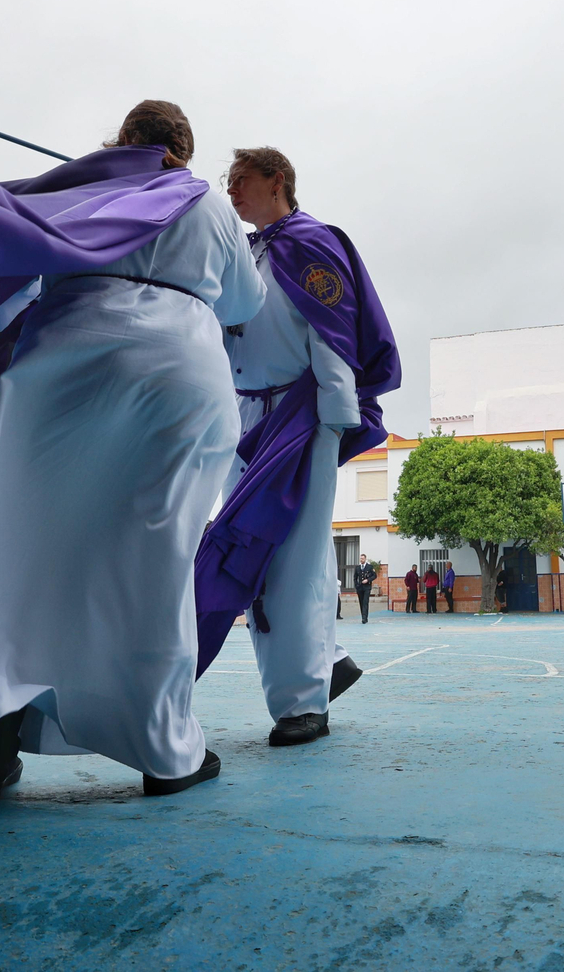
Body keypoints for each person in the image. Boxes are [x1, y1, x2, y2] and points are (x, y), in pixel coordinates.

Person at [0, 101, 265, 802]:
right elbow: (244, 303)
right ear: (185, 151)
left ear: (123, 140)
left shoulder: (82, 185)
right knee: (153, 553)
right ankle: (165, 750)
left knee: (8, 539)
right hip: (179, 370)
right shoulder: (212, 206)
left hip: (64, 355)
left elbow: (5, 255)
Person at [204, 146, 392, 747]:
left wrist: (334, 421)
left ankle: (302, 704)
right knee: (252, 554)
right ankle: (327, 662)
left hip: (298, 416)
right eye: (227, 183)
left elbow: (331, 333)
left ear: (276, 180)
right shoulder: (247, 252)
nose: (231, 193)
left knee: (297, 561)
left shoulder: (310, 241)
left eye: (240, 181)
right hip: (246, 419)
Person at [354, 555, 377, 623]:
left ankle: (364, 618)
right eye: (360, 558)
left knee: (365, 602)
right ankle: (363, 616)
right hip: (360, 588)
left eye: (362, 558)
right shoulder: (357, 568)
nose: (361, 560)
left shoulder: (369, 567)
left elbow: (374, 576)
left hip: (367, 587)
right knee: (361, 602)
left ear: (365, 559)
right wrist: (356, 585)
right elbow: (355, 578)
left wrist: (368, 580)